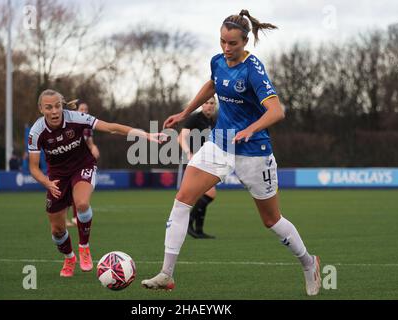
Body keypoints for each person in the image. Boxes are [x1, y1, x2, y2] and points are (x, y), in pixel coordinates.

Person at [142, 10, 321, 296]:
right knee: (182, 201)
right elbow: (212, 84)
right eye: (222, 41)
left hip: (254, 151)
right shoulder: (217, 61)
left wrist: (251, 129)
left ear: (245, 41)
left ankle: (309, 262)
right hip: (219, 143)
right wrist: (185, 112)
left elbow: (277, 111)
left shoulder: (253, 69)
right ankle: (167, 274)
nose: (226, 49)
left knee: (271, 220)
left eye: (232, 44)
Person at [28, 89, 163, 277]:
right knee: (57, 230)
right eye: (49, 107)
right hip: (56, 177)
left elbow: (111, 127)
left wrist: (146, 135)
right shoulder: (36, 132)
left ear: (62, 105)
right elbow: (34, 168)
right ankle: (69, 258)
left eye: (58, 106)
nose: (54, 111)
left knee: (82, 203)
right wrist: (46, 182)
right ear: (41, 109)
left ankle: (84, 247)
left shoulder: (76, 117)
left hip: (82, 166)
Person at [179, 97, 217, 239]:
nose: (209, 106)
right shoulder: (195, 119)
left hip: (206, 161)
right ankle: (188, 223)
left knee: (206, 194)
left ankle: (199, 230)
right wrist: (189, 153)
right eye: (206, 103)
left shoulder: (212, 121)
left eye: (212, 103)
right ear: (202, 105)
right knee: (210, 193)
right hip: (194, 162)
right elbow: (181, 138)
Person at [65, 100, 101, 227]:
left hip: (79, 163)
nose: (85, 112)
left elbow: (89, 141)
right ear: (76, 111)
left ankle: (75, 217)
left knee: (77, 189)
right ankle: (65, 218)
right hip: (67, 162)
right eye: (82, 109)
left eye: (86, 109)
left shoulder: (87, 127)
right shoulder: (72, 124)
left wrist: (93, 147)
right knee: (67, 191)